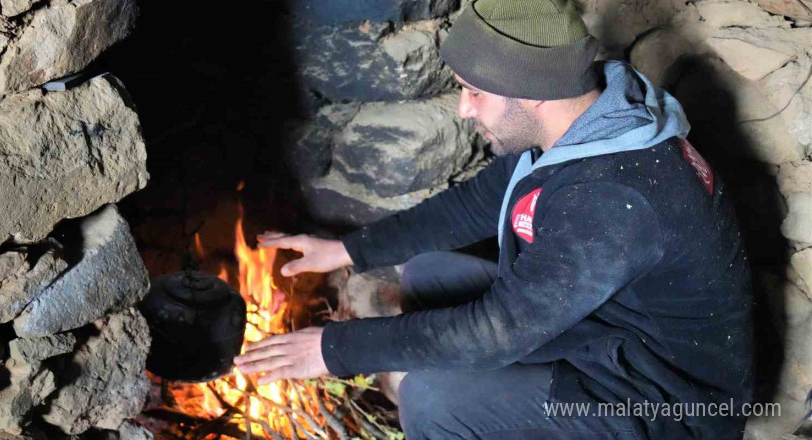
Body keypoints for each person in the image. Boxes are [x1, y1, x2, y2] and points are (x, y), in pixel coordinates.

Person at [234, 0, 754, 438]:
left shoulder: (612, 197)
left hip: (667, 402)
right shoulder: (580, 125)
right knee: (428, 272)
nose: (463, 109)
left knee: (433, 399)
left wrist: (335, 350)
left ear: (531, 91)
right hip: (609, 334)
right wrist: (348, 250)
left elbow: (495, 330)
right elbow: (474, 204)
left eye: (475, 91)